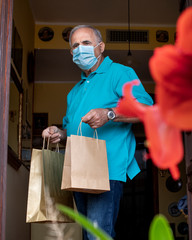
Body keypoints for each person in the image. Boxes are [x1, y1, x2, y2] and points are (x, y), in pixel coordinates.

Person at [42, 25, 154, 240]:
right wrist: (59, 133)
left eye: (86, 43)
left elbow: (146, 109)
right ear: (71, 53)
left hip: (107, 169)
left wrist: (109, 114)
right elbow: (71, 128)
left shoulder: (119, 73)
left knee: (97, 236)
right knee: (88, 234)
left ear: (100, 47)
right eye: (75, 45)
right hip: (78, 168)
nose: (80, 49)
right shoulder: (74, 92)